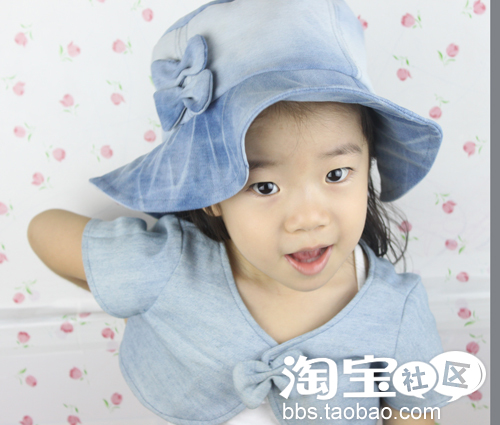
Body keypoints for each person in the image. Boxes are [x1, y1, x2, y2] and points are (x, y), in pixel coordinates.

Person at [27, 0, 450, 424]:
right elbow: (43, 230)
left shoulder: (395, 311)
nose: (308, 218)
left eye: (336, 174)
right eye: (265, 187)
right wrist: (133, 296)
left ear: (368, 164)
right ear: (211, 188)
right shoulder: (171, 268)